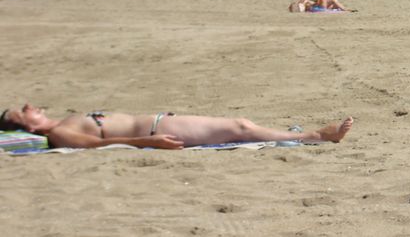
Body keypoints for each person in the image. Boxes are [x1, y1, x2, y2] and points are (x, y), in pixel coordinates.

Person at [0, 102, 353, 150]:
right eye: (23, 111)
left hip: (157, 122)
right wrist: (148, 142)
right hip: (155, 129)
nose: (31, 106)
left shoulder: (62, 121)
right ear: (28, 128)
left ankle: (305, 135)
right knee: (238, 126)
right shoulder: (58, 133)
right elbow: (96, 145)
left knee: (237, 126)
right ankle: (316, 135)